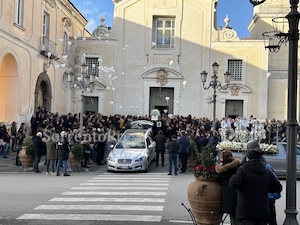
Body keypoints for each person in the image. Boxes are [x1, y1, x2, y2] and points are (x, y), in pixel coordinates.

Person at [229, 140, 282, 225]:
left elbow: (233, 183)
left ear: (248, 157)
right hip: (262, 212)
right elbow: (277, 188)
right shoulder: (267, 171)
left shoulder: (243, 170)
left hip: (245, 212)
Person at [215, 150, 241, 225]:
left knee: (232, 216)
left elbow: (219, 180)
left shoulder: (222, 170)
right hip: (239, 194)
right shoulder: (238, 166)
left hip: (228, 195)